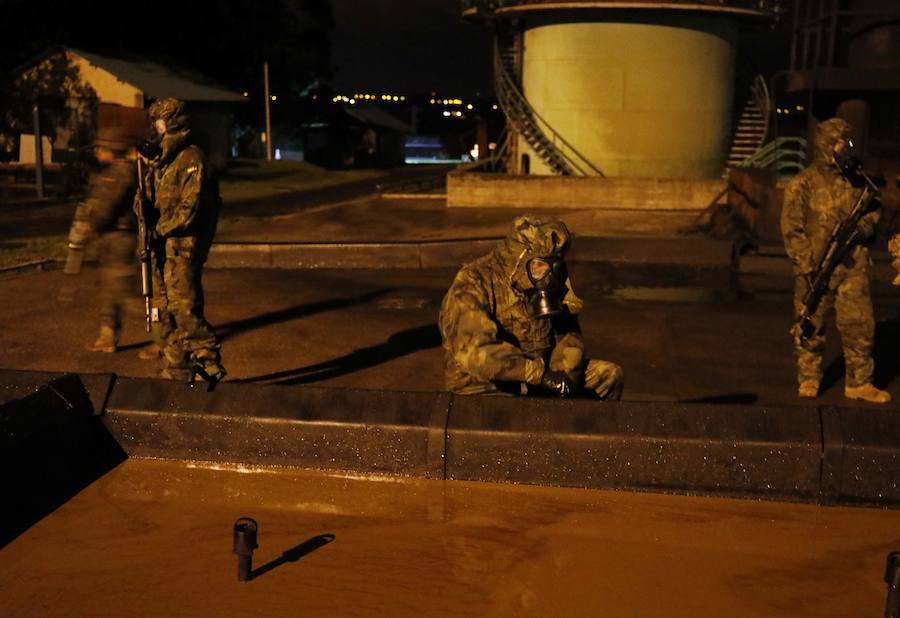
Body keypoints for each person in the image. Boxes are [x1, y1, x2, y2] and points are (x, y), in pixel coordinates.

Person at [439, 215, 623, 398]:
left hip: (540, 376)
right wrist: (539, 376)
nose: (548, 276)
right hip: (486, 385)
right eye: (541, 266)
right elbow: (476, 353)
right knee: (515, 415)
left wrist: (565, 372)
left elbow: (568, 333)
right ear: (519, 260)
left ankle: (576, 425)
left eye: (555, 265)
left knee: (608, 376)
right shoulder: (473, 282)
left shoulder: (546, 274)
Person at [780, 117, 890, 403]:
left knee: (860, 326)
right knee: (810, 327)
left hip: (853, 267)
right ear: (826, 144)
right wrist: (806, 266)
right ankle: (809, 379)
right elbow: (792, 230)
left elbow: (874, 208)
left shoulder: (856, 179)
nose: (845, 147)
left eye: (847, 142)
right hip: (816, 269)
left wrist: (866, 227)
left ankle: (859, 382)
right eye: (840, 142)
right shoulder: (803, 184)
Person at [138, 97, 225, 383]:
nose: (157, 129)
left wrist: (160, 228)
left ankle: (209, 365)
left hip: (183, 248)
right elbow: (142, 202)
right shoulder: (160, 163)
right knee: (165, 314)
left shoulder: (191, 159)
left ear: (174, 124)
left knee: (185, 311)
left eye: (161, 123)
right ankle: (177, 370)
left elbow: (191, 210)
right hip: (162, 249)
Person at [66, 125, 138, 353]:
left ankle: (162, 337)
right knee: (111, 287)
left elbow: (107, 207)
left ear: (112, 149)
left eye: (101, 147)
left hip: (120, 237)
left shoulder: (122, 173)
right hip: (112, 237)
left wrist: (90, 225)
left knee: (122, 290)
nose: (97, 151)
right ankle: (108, 335)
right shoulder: (111, 172)